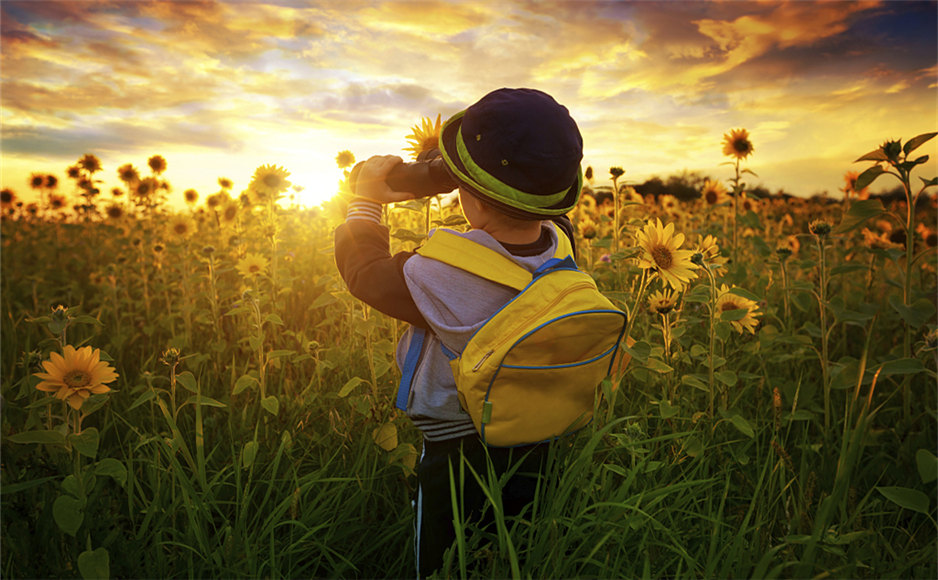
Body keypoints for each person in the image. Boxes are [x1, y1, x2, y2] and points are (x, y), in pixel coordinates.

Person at [334, 87, 584, 577]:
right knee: (516, 541)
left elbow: (365, 274)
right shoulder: (560, 245)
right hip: (538, 429)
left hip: (457, 442)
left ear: (473, 198)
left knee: (444, 556)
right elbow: (533, 199)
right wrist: (450, 173)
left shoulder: (445, 273)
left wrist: (365, 200)